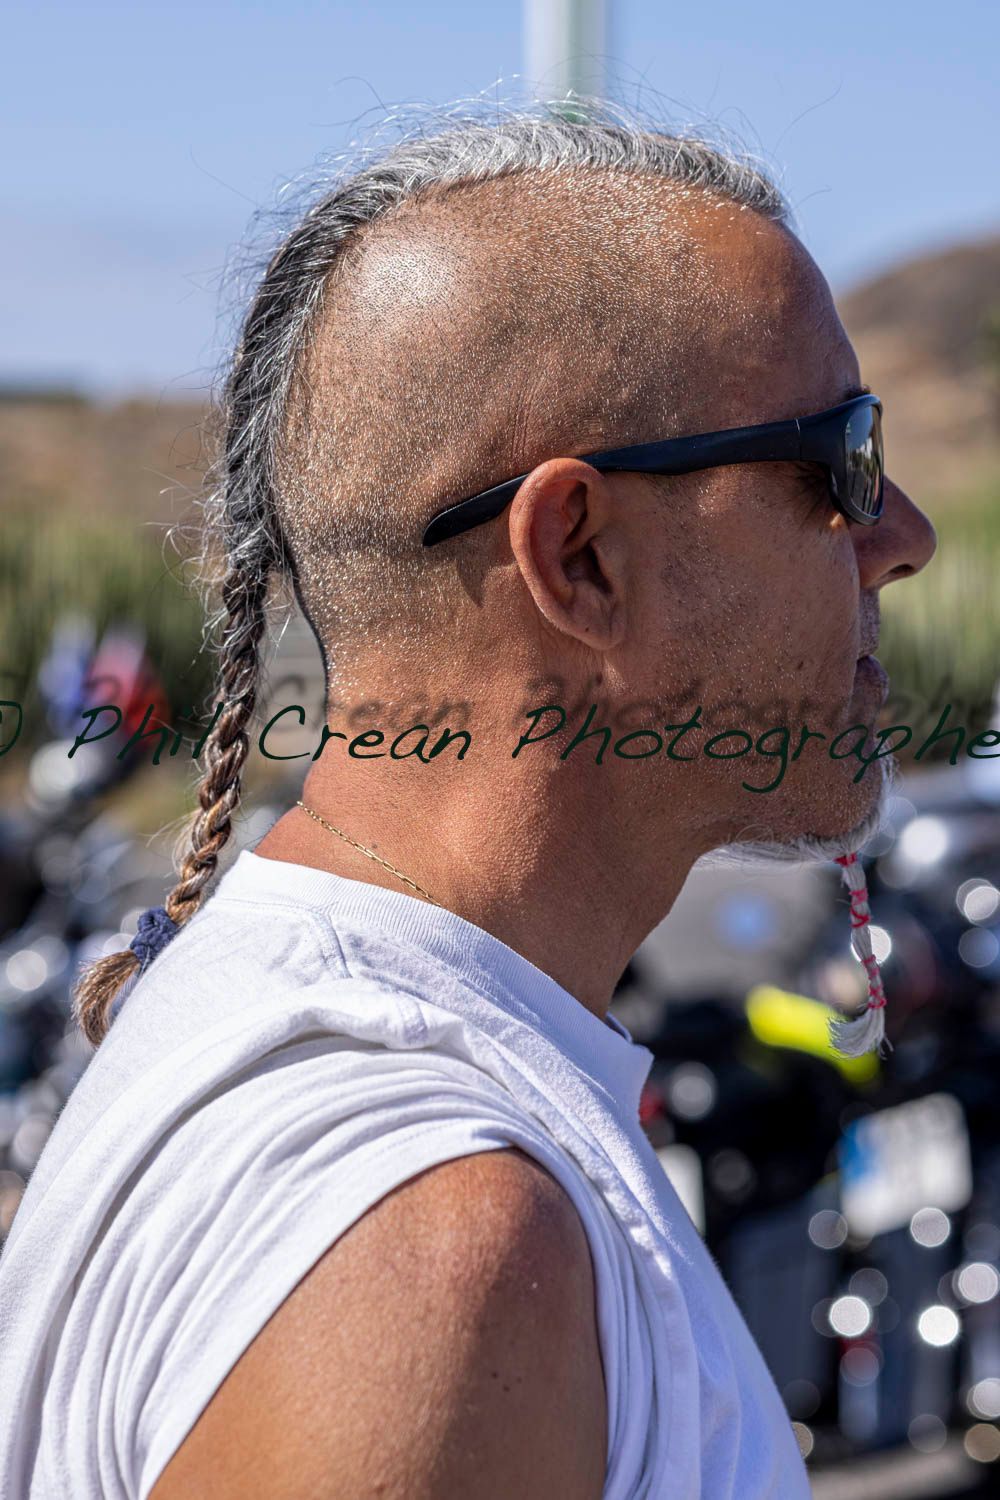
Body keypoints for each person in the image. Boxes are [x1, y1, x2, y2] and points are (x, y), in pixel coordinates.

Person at [0, 100, 936, 1499]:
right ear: (579, 555)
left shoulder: (392, 1108)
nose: (902, 538)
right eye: (843, 456)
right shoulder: (433, 1240)